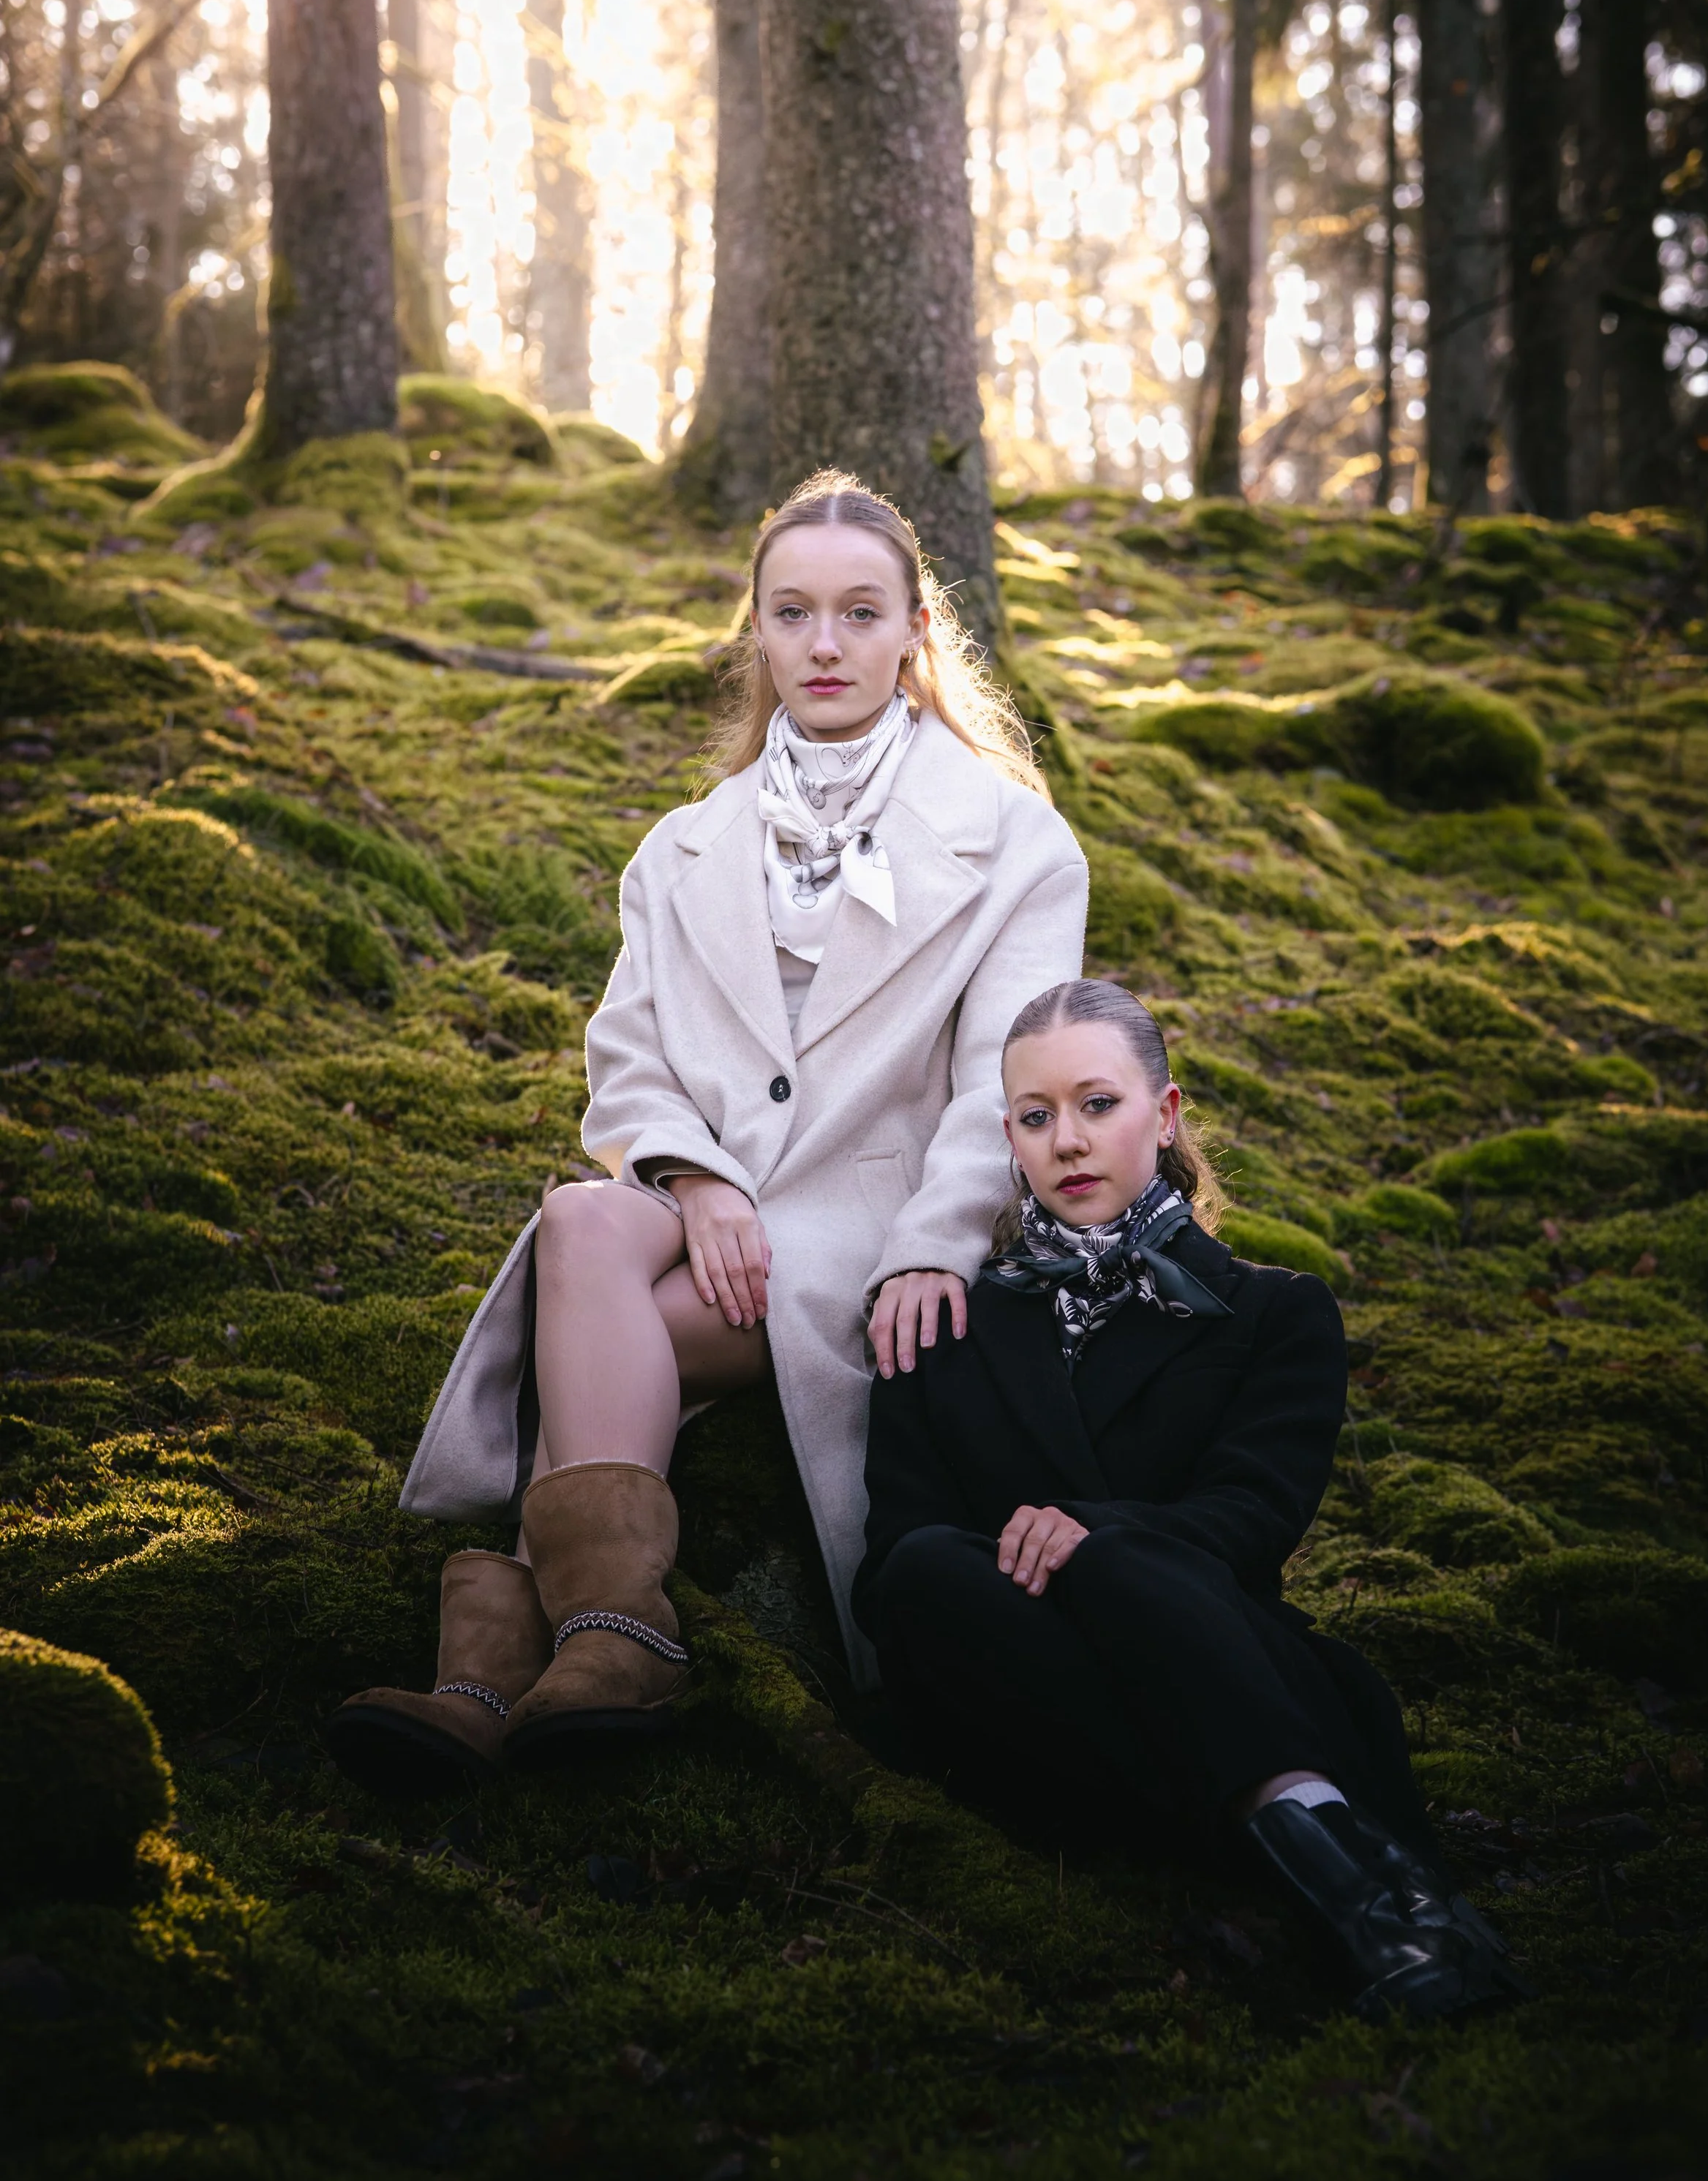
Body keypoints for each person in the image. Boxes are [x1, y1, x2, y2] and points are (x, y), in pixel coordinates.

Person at [326, 471, 1088, 1792]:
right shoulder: (682, 848)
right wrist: (697, 1175)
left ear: (917, 630)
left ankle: (496, 1659)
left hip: (872, 1222)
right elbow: (627, 1057)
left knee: (598, 1336)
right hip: (709, 1208)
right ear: (759, 631)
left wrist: (932, 1247)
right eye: (793, 614)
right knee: (579, 1214)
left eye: (861, 613)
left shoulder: (1016, 840)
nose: (826, 644)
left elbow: (1005, 1089)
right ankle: (611, 1636)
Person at [853, 979, 1524, 2023]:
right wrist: (1040, 1560)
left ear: (1164, 1117)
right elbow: (892, 1556)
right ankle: (1352, 1872)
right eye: (1037, 1118)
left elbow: (1252, 1521)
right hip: (1025, 1694)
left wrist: (1094, 1537)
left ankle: (1380, 1901)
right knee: (924, 1571)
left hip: (1231, 1662)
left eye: (1098, 1104)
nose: (1068, 1141)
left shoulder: (1275, 1311)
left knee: (1114, 1555)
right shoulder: (940, 1321)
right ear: (1008, 1142)